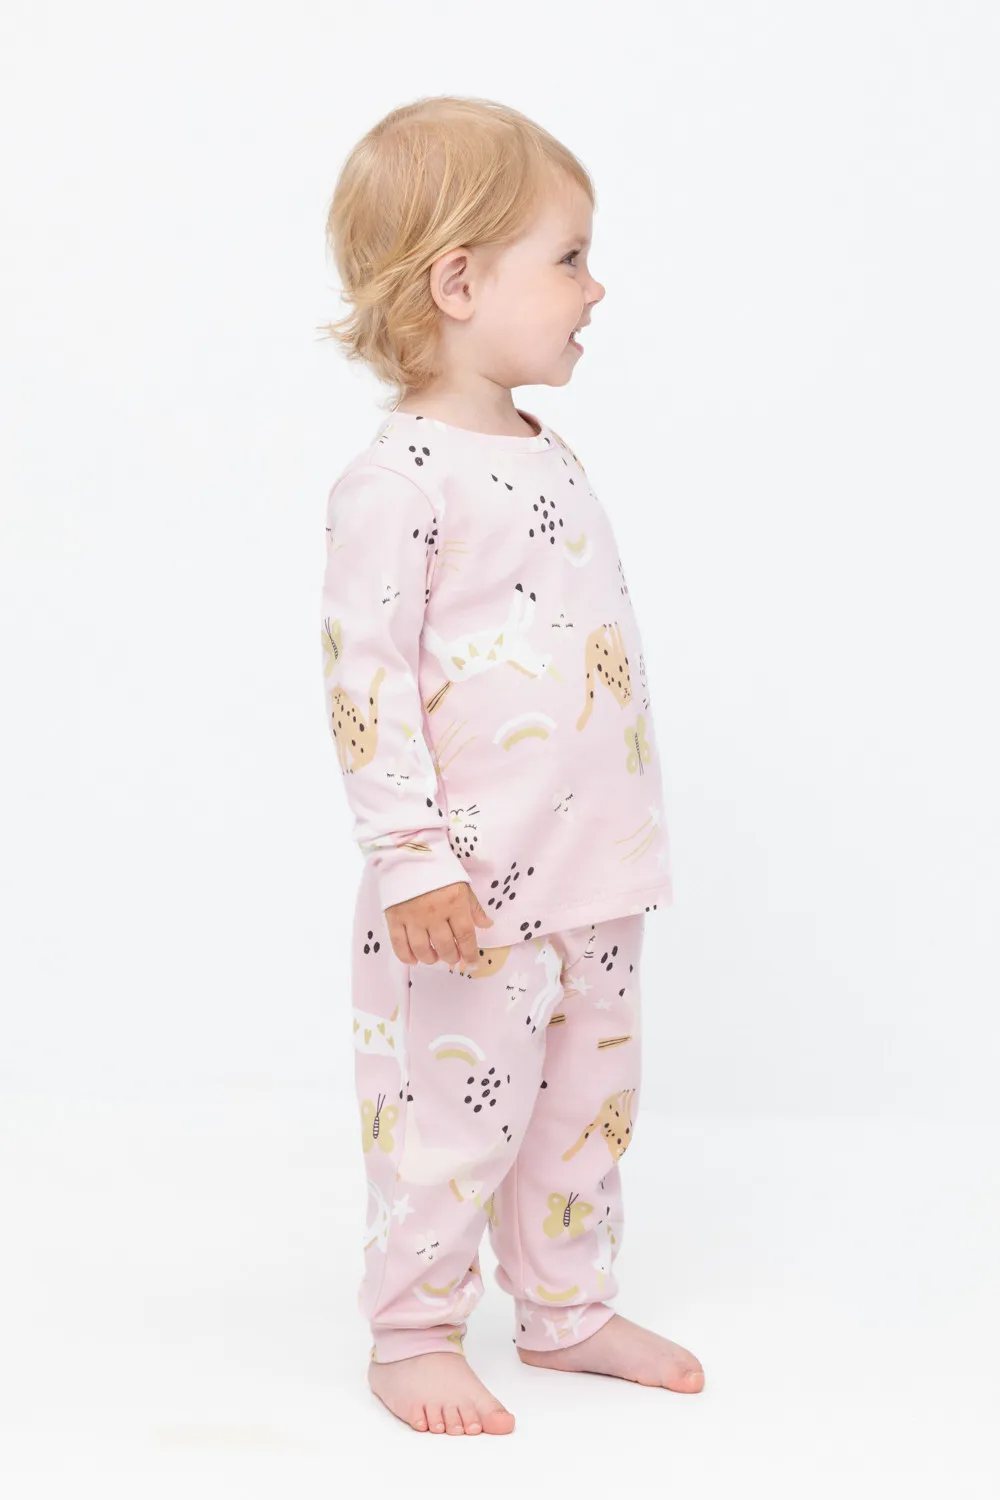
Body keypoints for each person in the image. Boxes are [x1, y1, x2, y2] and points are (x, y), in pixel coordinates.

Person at [317, 94, 705, 1436]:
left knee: (587, 1110)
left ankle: (568, 1309)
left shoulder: (547, 451)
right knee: (450, 1118)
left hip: (598, 870)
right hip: (467, 893)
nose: (597, 287)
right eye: (571, 257)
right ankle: (414, 1333)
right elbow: (365, 683)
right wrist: (409, 857)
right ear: (460, 282)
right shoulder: (397, 482)